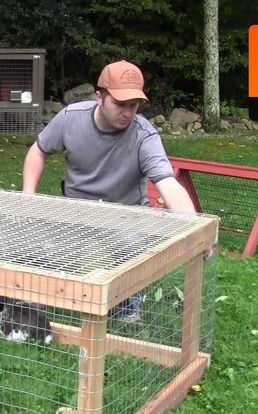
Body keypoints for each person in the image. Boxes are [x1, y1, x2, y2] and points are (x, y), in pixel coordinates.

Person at [21, 60, 197, 322]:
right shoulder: (71, 118)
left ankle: (126, 299)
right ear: (99, 97)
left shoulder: (144, 136)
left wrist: (194, 227)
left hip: (127, 220)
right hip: (76, 213)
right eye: (120, 104)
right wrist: (28, 196)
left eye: (133, 105)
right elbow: (38, 150)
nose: (127, 112)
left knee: (116, 299)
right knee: (32, 241)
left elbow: (168, 183)